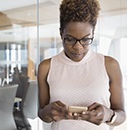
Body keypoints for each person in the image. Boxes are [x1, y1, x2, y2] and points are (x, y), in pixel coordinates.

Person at [37, 0, 126, 130]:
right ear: (61, 33)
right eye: (70, 39)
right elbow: (41, 113)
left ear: (93, 34)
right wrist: (48, 112)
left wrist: (108, 115)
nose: (78, 47)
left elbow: (121, 115)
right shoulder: (46, 67)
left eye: (85, 39)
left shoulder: (109, 65)